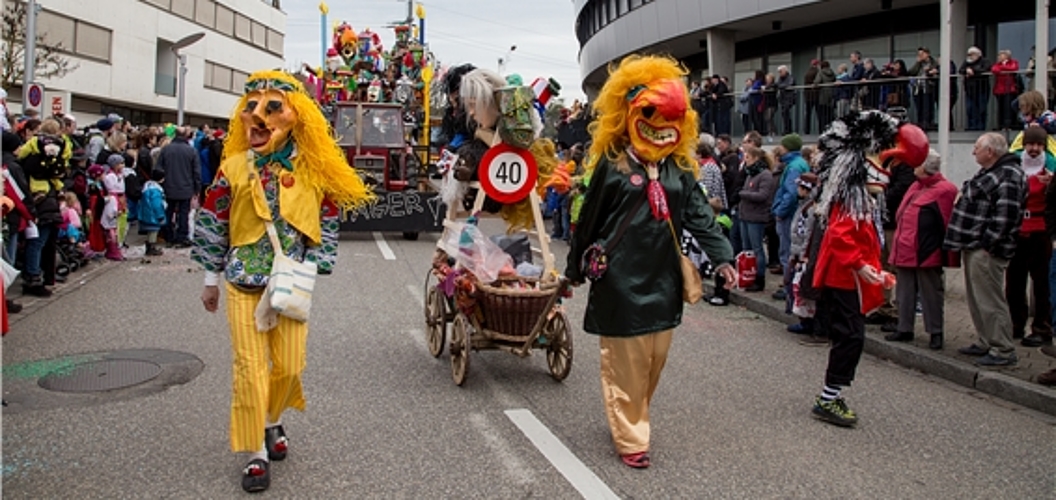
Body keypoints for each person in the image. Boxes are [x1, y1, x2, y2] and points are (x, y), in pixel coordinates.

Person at [191, 70, 374, 492]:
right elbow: (213, 221)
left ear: (297, 116)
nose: (257, 117)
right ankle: (255, 451)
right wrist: (209, 279)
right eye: (250, 107)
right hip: (242, 281)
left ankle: (273, 419)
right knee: (249, 370)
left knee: (290, 366)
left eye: (272, 107)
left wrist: (320, 259)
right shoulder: (233, 168)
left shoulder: (310, 168)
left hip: (290, 283)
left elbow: (328, 215)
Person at [564, 55, 735, 469]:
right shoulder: (612, 164)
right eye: (651, 114)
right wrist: (572, 272)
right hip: (620, 277)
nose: (660, 125)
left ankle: (628, 414)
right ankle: (631, 437)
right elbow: (588, 221)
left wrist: (724, 258)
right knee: (626, 363)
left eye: (671, 118)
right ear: (628, 112)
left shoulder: (679, 167)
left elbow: (699, 215)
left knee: (654, 361)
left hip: (663, 280)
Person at [945, 133, 1026, 366]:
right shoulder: (990, 173)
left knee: (990, 299)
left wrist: (988, 244)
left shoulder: (1008, 175)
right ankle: (986, 341)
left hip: (987, 248)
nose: (973, 152)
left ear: (990, 152)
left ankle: (1002, 348)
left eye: (977, 148)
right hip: (975, 245)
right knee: (978, 298)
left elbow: (1006, 217)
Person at [884, 149, 958, 349]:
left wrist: (945, 253)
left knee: (931, 293)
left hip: (926, 250)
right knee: (904, 291)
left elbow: (946, 222)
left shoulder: (945, 190)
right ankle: (904, 327)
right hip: (906, 248)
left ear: (924, 167)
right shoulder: (916, 186)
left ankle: (935, 332)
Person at [1007, 126, 1054, 347]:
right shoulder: (1015, 164)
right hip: (1017, 228)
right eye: (1030, 144)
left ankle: (1042, 328)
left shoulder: (1050, 166)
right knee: (1014, 280)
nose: (1034, 149)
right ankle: (1015, 323)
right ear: (1024, 145)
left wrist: (1052, 185)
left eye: (1038, 145)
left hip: (1040, 228)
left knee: (1041, 282)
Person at [17, 119, 71, 297]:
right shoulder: (62, 145)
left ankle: (34, 275)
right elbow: (65, 161)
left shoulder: (34, 144)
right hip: (46, 198)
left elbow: (22, 154)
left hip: (38, 190)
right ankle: (34, 276)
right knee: (38, 242)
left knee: (36, 242)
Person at [771, 134, 809, 303]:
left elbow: (791, 193)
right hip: (793, 212)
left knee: (787, 253)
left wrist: (780, 211)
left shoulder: (793, 166)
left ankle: (789, 290)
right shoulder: (798, 163)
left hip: (789, 215)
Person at [736, 144, 776, 292]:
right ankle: (747, 275)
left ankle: (760, 278)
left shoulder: (765, 175)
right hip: (745, 215)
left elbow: (763, 195)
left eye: (747, 158)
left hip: (756, 216)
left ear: (755, 158)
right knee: (747, 250)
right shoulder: (750, 173)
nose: (745, 160)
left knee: (757, 248)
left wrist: (743, 194)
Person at [156, 127, 201, 247]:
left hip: (169, 186)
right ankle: (182, 237)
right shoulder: (191, 151)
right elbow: (196, 172)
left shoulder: (166, 150)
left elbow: (158, 168)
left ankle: (169, 236)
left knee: (169, 212)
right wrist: (197, 189)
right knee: (183, 213)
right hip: (186, 187)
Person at [786, 172, 819, 336]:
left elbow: (807, 234)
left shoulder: (811, 210)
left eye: (800, 187)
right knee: (794, 286)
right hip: (796, 250)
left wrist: (801, 256)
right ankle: (802, 319)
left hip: (801, 253)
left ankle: (807, 322)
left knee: (801, 289)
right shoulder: (803, 206)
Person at [960, 47, 992, 131]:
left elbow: (986, 69)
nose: (970, 56)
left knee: (981, 109)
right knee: (970, 109)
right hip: (970, 90)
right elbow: (961, 70)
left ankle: (981, 126)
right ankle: (971, 126)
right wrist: (966, 70)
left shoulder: (985, 61)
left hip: (982, 89)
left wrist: (973, 71)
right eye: (969, 54)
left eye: (972, 54)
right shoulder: (967, 62)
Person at [137, 169, 167, 257]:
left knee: (150, 231)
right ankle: (151, 247)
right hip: (153, 214)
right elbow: (156, 204)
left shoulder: (147, 186)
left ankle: (149, 246)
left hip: (146, 212)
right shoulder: (156, 190)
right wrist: (160, 215)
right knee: (154, 231)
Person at [992, 50, 1021, 130]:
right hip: (999, 89)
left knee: (1009, 107)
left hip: (1010, 89)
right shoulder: (997, 64)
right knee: (1000, 108)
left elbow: (1013, 68)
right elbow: (994, 69)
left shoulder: (1013, 62)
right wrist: (1004, 69)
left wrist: (1002, 69)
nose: (999, 57)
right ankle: (1001, 125)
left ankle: (1010, 125)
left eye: (1001, 55)